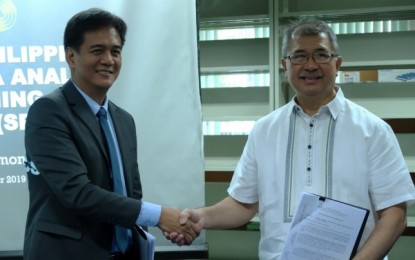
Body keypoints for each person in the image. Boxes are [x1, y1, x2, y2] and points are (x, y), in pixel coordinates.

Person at [170, 18, 415, 259]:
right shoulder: (264, 130)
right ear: (284, 65)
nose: (310, 65)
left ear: (338, 63)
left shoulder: (373, 131)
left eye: (321, 55)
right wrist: (200, 217)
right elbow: (243, 205)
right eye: (299, 56)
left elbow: (394, 214)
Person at [24, 8, 200, 260]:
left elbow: (131, 196)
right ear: (71, 57)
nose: (108, 60)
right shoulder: (49, 111)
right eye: (98, 50)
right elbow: (78, 193)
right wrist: (161, 216)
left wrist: (171, 227)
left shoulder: (123, 120)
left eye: (115, 52)